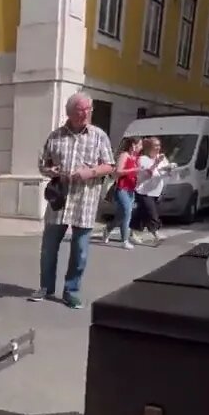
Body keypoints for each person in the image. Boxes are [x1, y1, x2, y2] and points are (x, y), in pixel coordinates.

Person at [34, 92, 115, 309]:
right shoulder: (55, 136)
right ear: (69, 113)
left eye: (89, 109)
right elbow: (43, 164)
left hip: (85, 202)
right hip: (59, 202)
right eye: (81, 110)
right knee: (49, 249)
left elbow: (110, 165)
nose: (86, 114)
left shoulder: (99, 136)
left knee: (80, 251)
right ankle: (46, 287)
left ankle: (71, 291)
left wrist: (91, 172)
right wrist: (51, 170)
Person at [133, 137, 173, 244]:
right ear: (148, 147)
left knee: (142, 214)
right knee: (152, 214)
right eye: (155, 146)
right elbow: (147, 174)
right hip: (143, 191)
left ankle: (133, 233)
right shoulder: (143, 159)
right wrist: (157, 164)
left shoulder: (162, 159)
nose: (158, 148)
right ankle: (156, 235)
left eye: (159, 145)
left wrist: (169, 169)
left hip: (156, 191)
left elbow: (164, 174)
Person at [104, 136, 142, 249]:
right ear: (133, 145)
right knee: (127, 213)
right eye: (139, 145)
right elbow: (118, 171)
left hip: (131, 189)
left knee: (122, 215)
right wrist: (133, 170)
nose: (141, 147)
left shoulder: (136, 157)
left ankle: (108, 229)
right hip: (122, 189)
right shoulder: (124, 155)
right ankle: (125, 240)